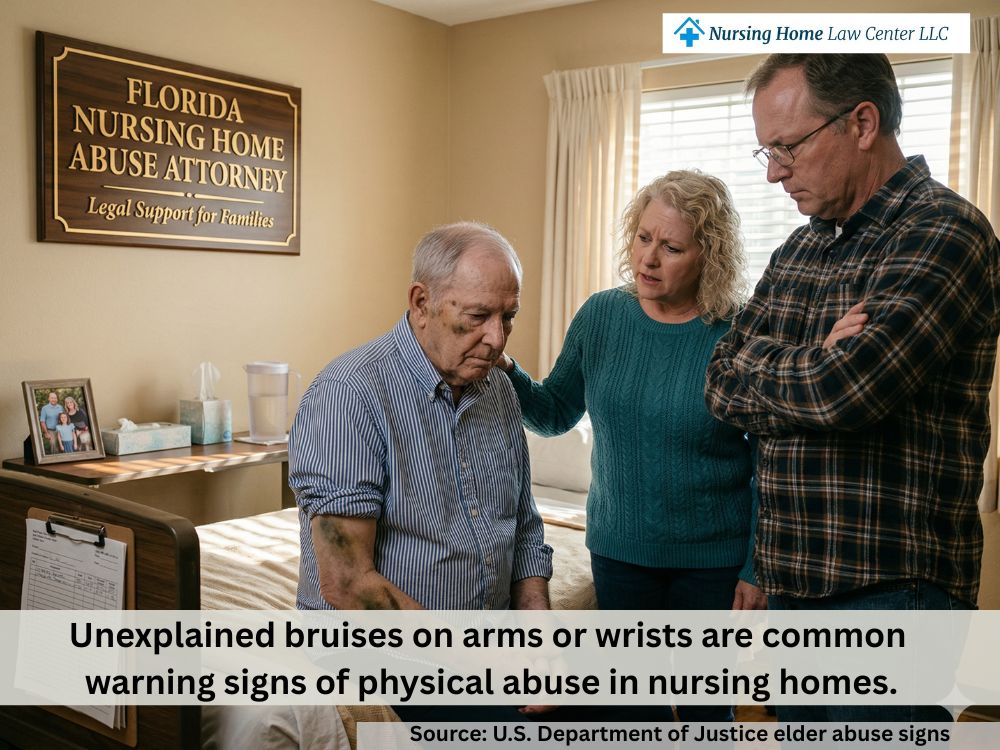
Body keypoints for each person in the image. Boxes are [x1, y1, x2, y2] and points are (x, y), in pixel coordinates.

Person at [704, 54, 1000, 722]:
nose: (775, 171)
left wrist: (786, 365)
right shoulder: (799, 251)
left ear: (862, 123)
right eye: (767, 152)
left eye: (787, 147)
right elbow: (720, 382)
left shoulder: (944, 231)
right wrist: (815, 356)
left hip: (890, 592)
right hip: (794, 589)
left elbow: (849, 391)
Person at [497, 170, 766, 722]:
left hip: (712, 561)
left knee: (701, 712)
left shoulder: (738, 332)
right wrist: (504, 368)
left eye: (671, 247)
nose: (648, 258)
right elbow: (552, 413)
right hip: (620, 552)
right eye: (644, 238)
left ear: (707, 256)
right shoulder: (601, 316)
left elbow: (772, 463)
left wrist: (756, 567)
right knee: (628, 713)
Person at [288, 222, 554, 722]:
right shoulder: (350, 395)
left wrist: (538, 644)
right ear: (420, 302)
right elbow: (346, 584)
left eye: (508, 317)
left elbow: (525, 532)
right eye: (477, 316)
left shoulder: (497, 389)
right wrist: (485, 663)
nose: (496, 339)